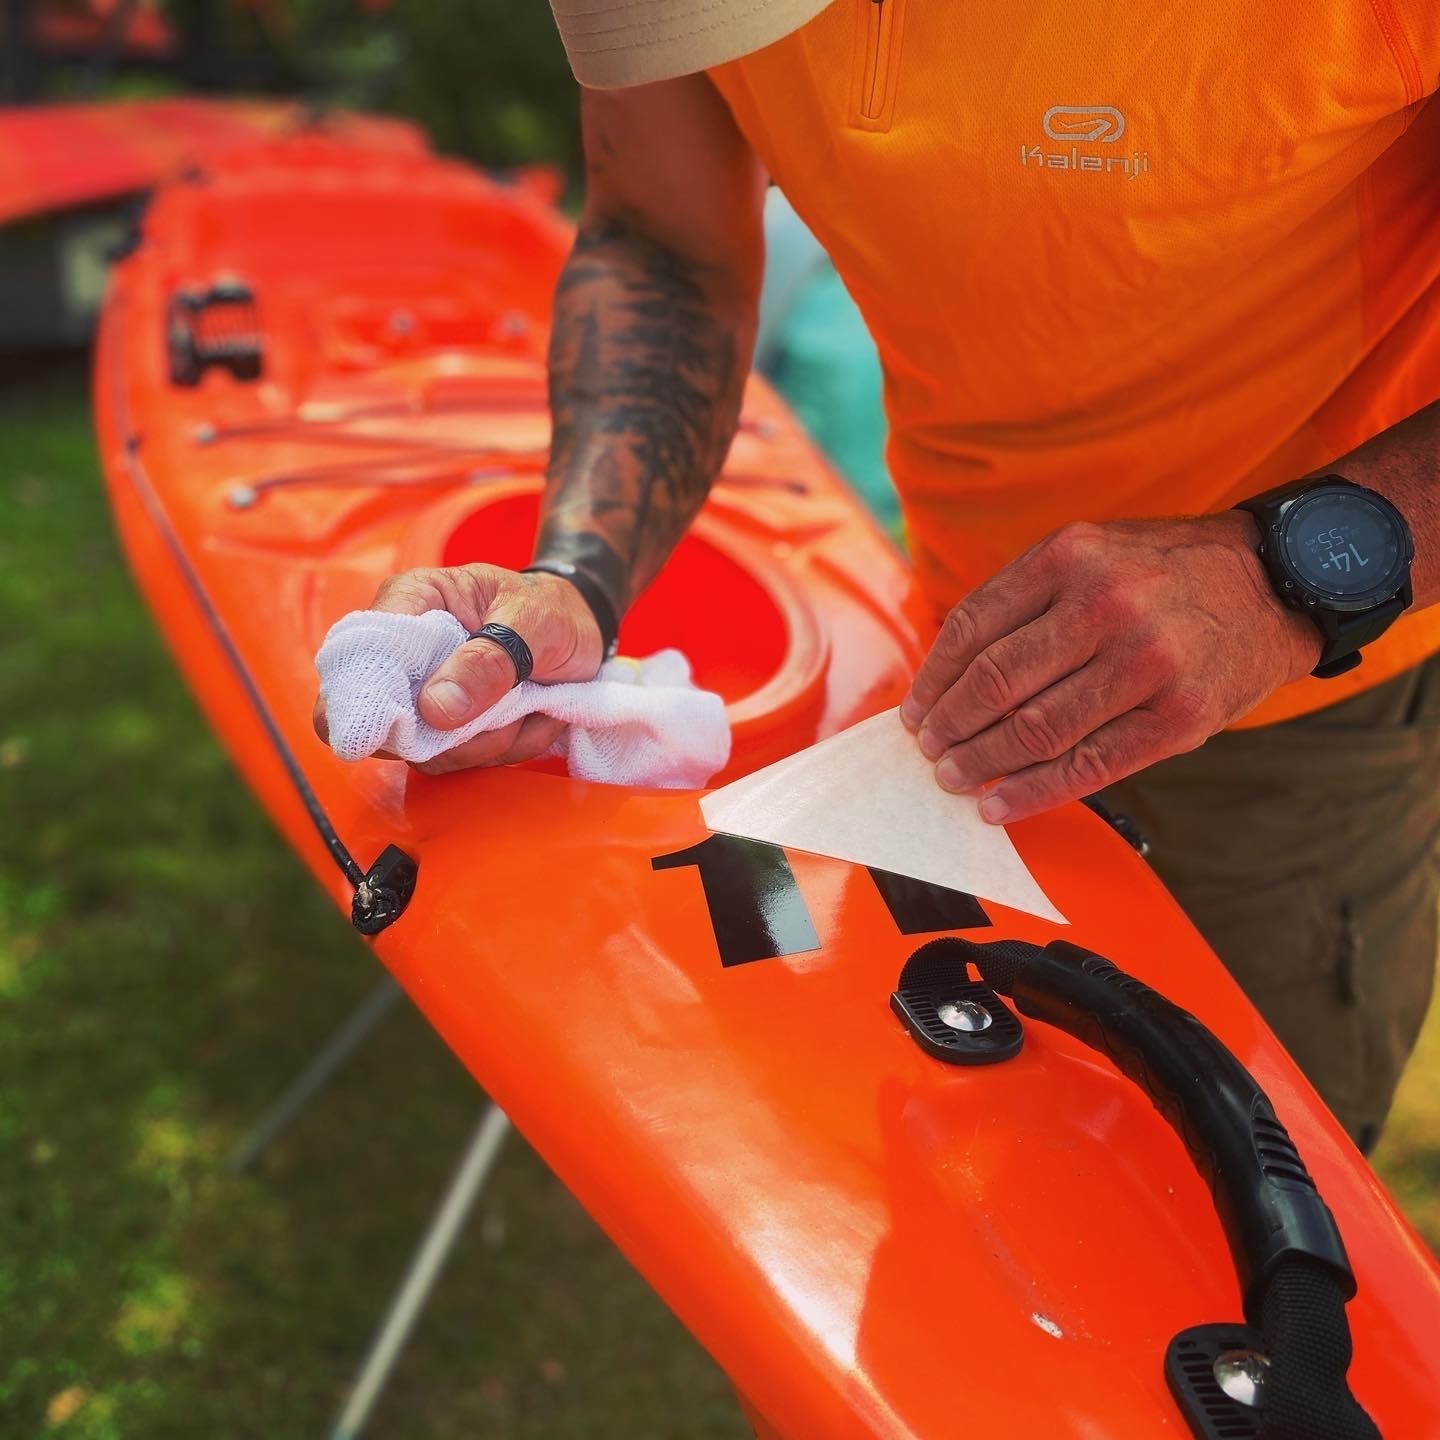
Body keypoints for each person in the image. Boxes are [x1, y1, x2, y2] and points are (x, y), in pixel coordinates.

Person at [317, 1, 1440, 1151]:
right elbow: (666, 244)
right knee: (955, 1162)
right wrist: (577, 580)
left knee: (1238, 1222)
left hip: (1297, 721)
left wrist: (1286, 573)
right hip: (950, 667)